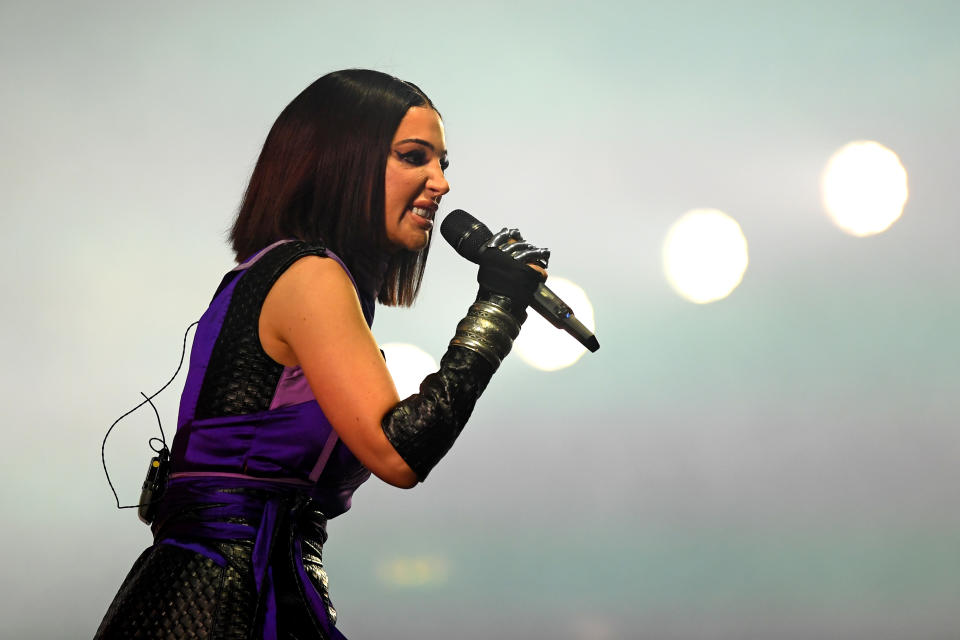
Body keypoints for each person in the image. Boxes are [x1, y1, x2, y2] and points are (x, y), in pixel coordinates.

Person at [95, 69, 548, 640]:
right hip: (224, 600)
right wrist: (498, 309)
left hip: (239, 588)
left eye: (443, 165)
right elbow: (399, 451)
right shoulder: (309, 275)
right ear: (343, 162)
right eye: (414, 157)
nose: (441, 183)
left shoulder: (298, 273)